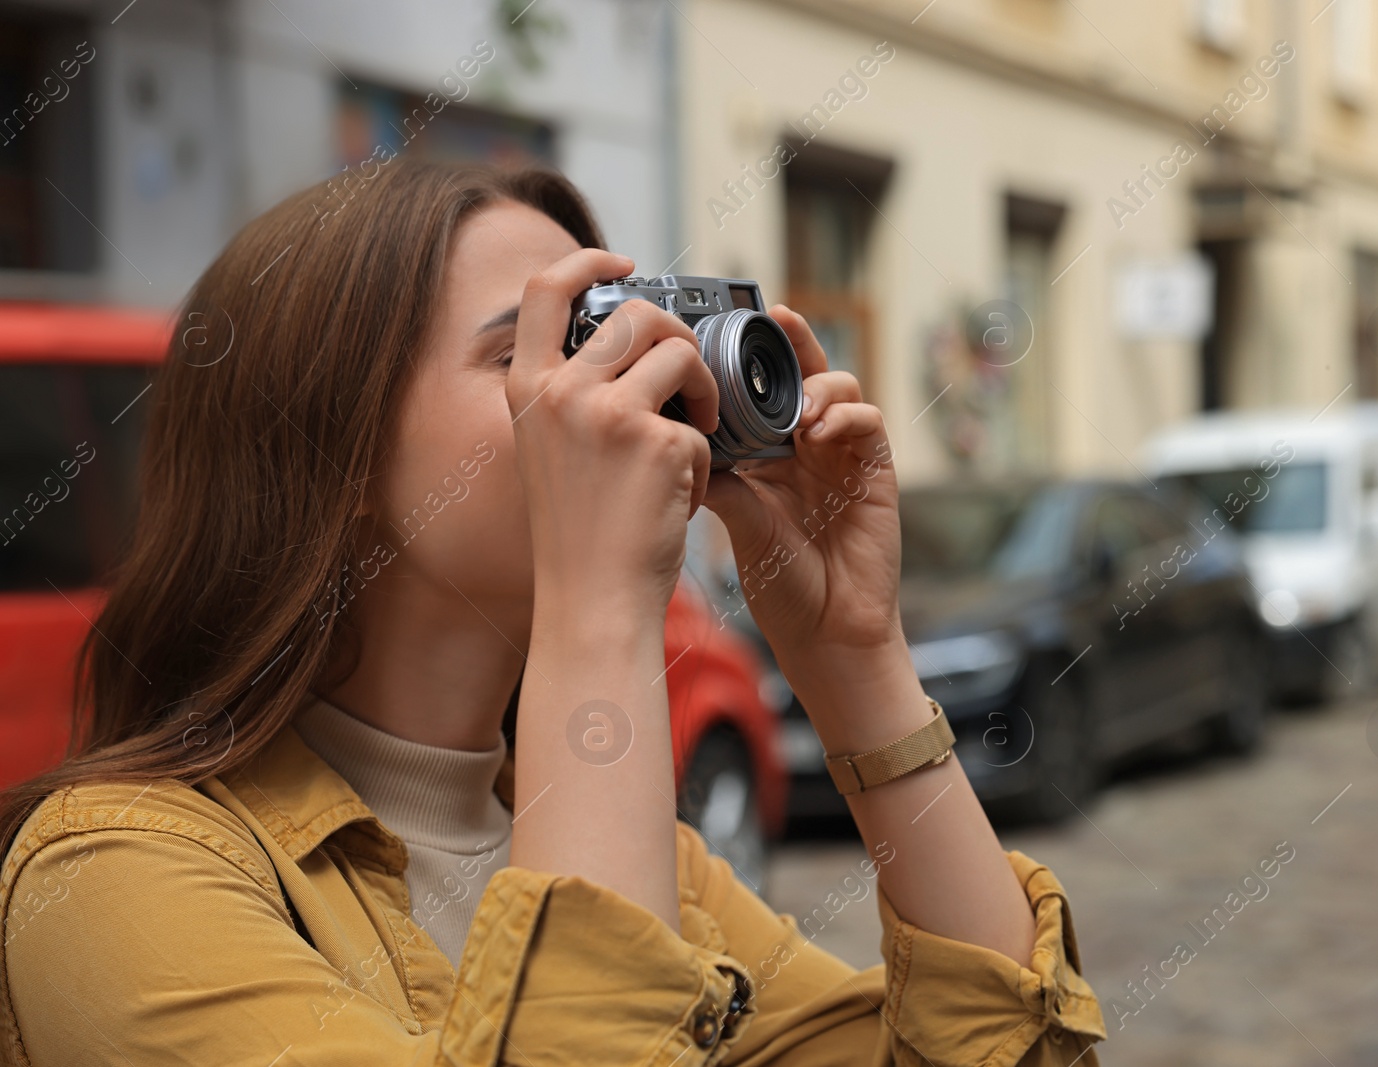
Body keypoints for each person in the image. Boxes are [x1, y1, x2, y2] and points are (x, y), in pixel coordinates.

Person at [0, 161, 1105, 1065]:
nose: (630, 397)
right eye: (533, 353)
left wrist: (856, 658)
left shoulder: (653, 868)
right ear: (326, 450)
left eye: (617, 342)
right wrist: (599, 606)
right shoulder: (112, 879)